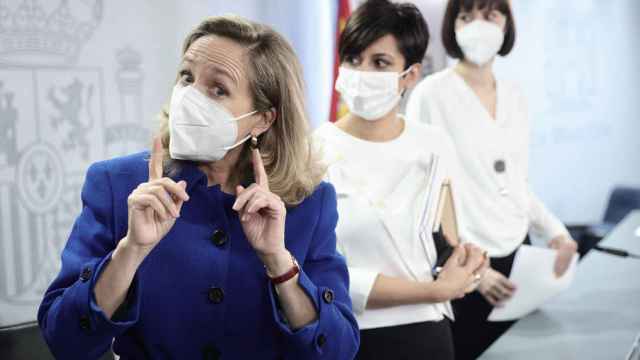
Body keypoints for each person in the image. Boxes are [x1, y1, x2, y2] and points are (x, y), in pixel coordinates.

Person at [38, 15, 359, 359]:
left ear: (262, 119)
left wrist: (279, 262)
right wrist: (130, 251)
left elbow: (339, 351)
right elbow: (66, 341)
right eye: (186, 77)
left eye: (218, 89)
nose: (190, 97)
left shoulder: (308, 202)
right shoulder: (119, 184)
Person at [314, 1, 488, 359]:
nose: (361, 71)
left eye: (380, 62)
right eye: (352, 58)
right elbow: (322, 271)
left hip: (428, 336)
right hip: (351, 333)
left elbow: (448, 242)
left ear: (409, 75)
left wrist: (468, 261)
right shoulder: (313, 149)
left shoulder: (433, 143)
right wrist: (434, 291)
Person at [406, 0, 578, 358]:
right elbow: (423, 197)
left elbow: (517, 183)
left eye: (490, 15)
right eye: (466, 16)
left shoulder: (515, 96)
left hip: (518, 254)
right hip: (466, 260)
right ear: (453, 26)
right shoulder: (431, 94)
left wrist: (557, 232)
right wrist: (470, 268)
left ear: (506, 25)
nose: (478, 25)